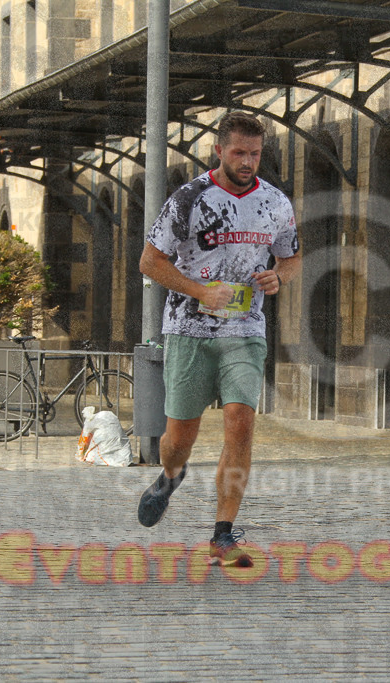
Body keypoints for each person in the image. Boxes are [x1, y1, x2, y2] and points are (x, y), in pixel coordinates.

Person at [137, 110, 301, 567]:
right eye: (239, 153)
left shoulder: (276, 203)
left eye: (255, 153)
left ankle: (222, 534)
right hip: (189, 329)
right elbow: (150, 262)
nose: (248, 162)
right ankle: (170, 477)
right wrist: (201, 291)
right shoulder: (189, 198)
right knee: (178, 438)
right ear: (219, 150)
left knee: (240, 420)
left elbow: (291, 258)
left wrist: (278, 278)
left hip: (245, 330)